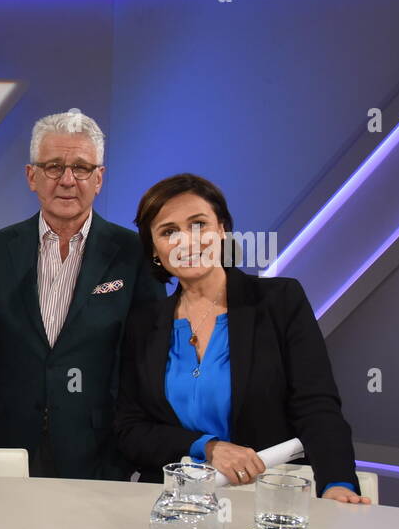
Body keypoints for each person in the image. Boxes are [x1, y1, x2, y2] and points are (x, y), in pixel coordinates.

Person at [115, 173, 370, 502]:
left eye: (199, 224)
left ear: (221, 230)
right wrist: (206, 447)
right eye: (168, 231)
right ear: (153, 249)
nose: (187, 242)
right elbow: (131, 429)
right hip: (175, 504)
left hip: (269, 499)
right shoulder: (142, 324)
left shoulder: (279, 301)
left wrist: (338, 483)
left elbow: (316, 406)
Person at [0, 109, 163, 479]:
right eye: (54, 166)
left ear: (100, 178)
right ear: (32, 176)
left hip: (99, 449)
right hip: (5, 444)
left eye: (82, 168)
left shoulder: (133, 252)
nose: (67, 180)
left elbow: (145, 361)